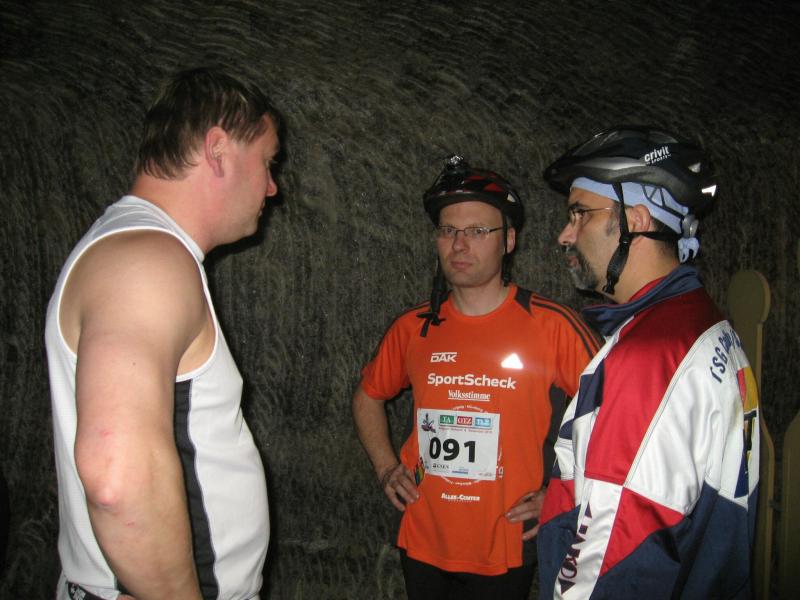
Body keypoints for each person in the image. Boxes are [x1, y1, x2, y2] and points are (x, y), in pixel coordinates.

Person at [45, 67, 281, 600]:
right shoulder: (147, 261)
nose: (273, 186)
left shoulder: (134, 248)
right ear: (218, 149)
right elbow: (116, 475)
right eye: (267, 162)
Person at [352, 155, 600, 599]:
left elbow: (615, 415)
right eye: (448, 230)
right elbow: (368, 396)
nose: (459, 245)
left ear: (509, 240)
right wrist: (387, 468)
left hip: (506, 543)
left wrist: (565, 493)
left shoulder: (553, 326)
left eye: (478, 231)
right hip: (423, 539)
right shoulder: (413, 328)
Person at [537, 126, 760, 599]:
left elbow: (615, 560)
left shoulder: (649, 358)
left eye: (579, 213)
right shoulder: (702, 322)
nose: (565, 235)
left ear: (635, 219)